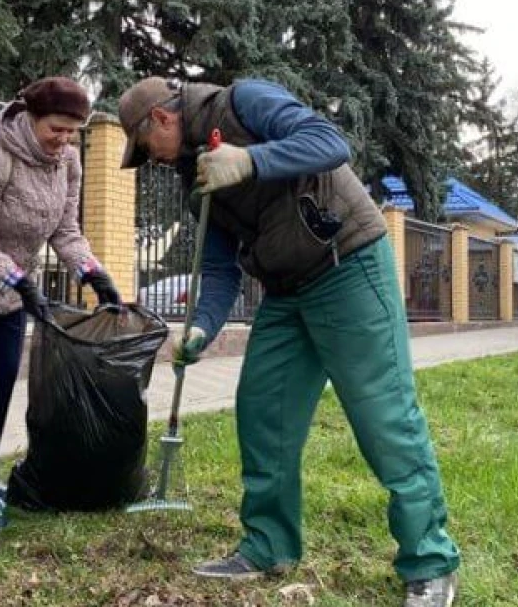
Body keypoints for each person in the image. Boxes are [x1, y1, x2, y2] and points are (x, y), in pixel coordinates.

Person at [116, 77, 460, 607]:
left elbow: (328, 143)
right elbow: (217, 265)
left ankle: (430, 562)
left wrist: (250, 160)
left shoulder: (243, 102)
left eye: (145, 151)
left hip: (348, 264)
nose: (152, 161)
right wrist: (204, 325)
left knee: (383, 416)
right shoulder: (196, 179)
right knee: (263, 411)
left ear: (161, 120)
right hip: (285, 291)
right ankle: (268, 546)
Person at [0, 76, 122, 532]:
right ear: (32, 119)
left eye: (73, 131)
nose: (65, 139)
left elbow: (65, 231)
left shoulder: (68, 162)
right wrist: (19, 280)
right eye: (57, 128)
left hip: (12, 289)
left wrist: (92, 273)